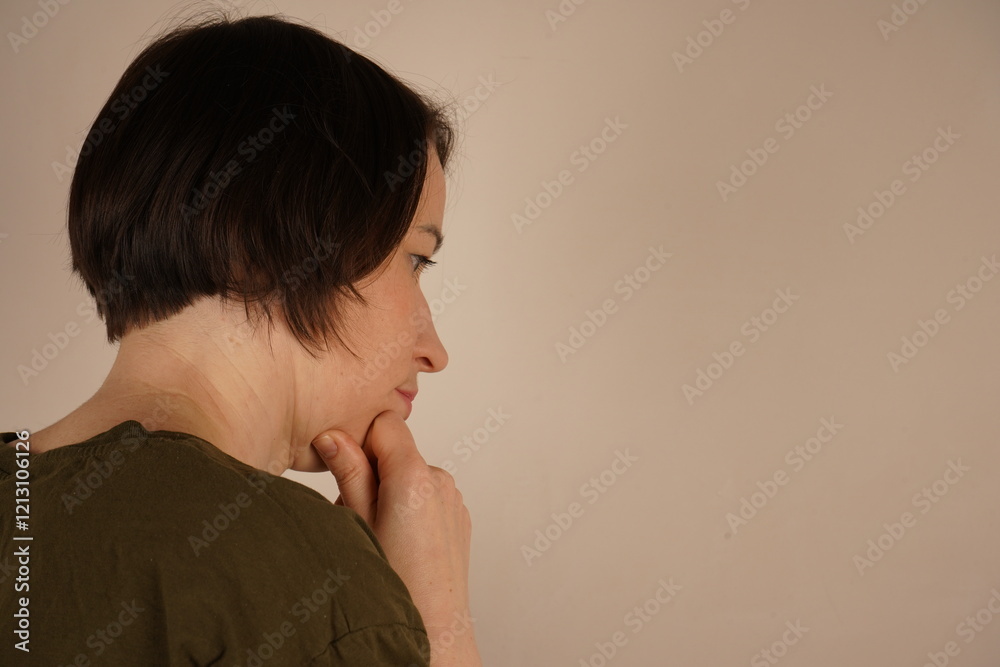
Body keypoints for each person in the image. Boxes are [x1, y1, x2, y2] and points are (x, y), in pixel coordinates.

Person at [0, 12, 482, 667]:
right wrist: (437, 620)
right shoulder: (311, 581)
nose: (436, 351)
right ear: (272, 240)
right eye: (415, 259)